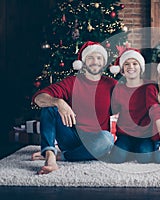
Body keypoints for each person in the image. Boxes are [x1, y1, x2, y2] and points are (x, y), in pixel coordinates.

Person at [31, 41, 116, 174]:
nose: (95, 61)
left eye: (99, 58)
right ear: (83, 61)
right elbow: (38, 98)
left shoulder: (112, 84)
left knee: (107, 139)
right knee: (50, 107)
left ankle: (63, 156)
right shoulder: (72, 82)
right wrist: (58, 102)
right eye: (90, 57)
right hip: (71, 137)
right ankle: (49, 156)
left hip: (96, 141)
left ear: (104, 62)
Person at [108, 48, 154, 163]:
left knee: (145, 158)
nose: (131, 67)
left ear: (141, 68)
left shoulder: (149, 86)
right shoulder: (119, 89)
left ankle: (135, 152)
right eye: (127, 64)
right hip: (125, 134)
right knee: (116, 158)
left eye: (135, 63)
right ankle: (128, 151)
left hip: (145, 135)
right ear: (122, 69)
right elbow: (113, 110)